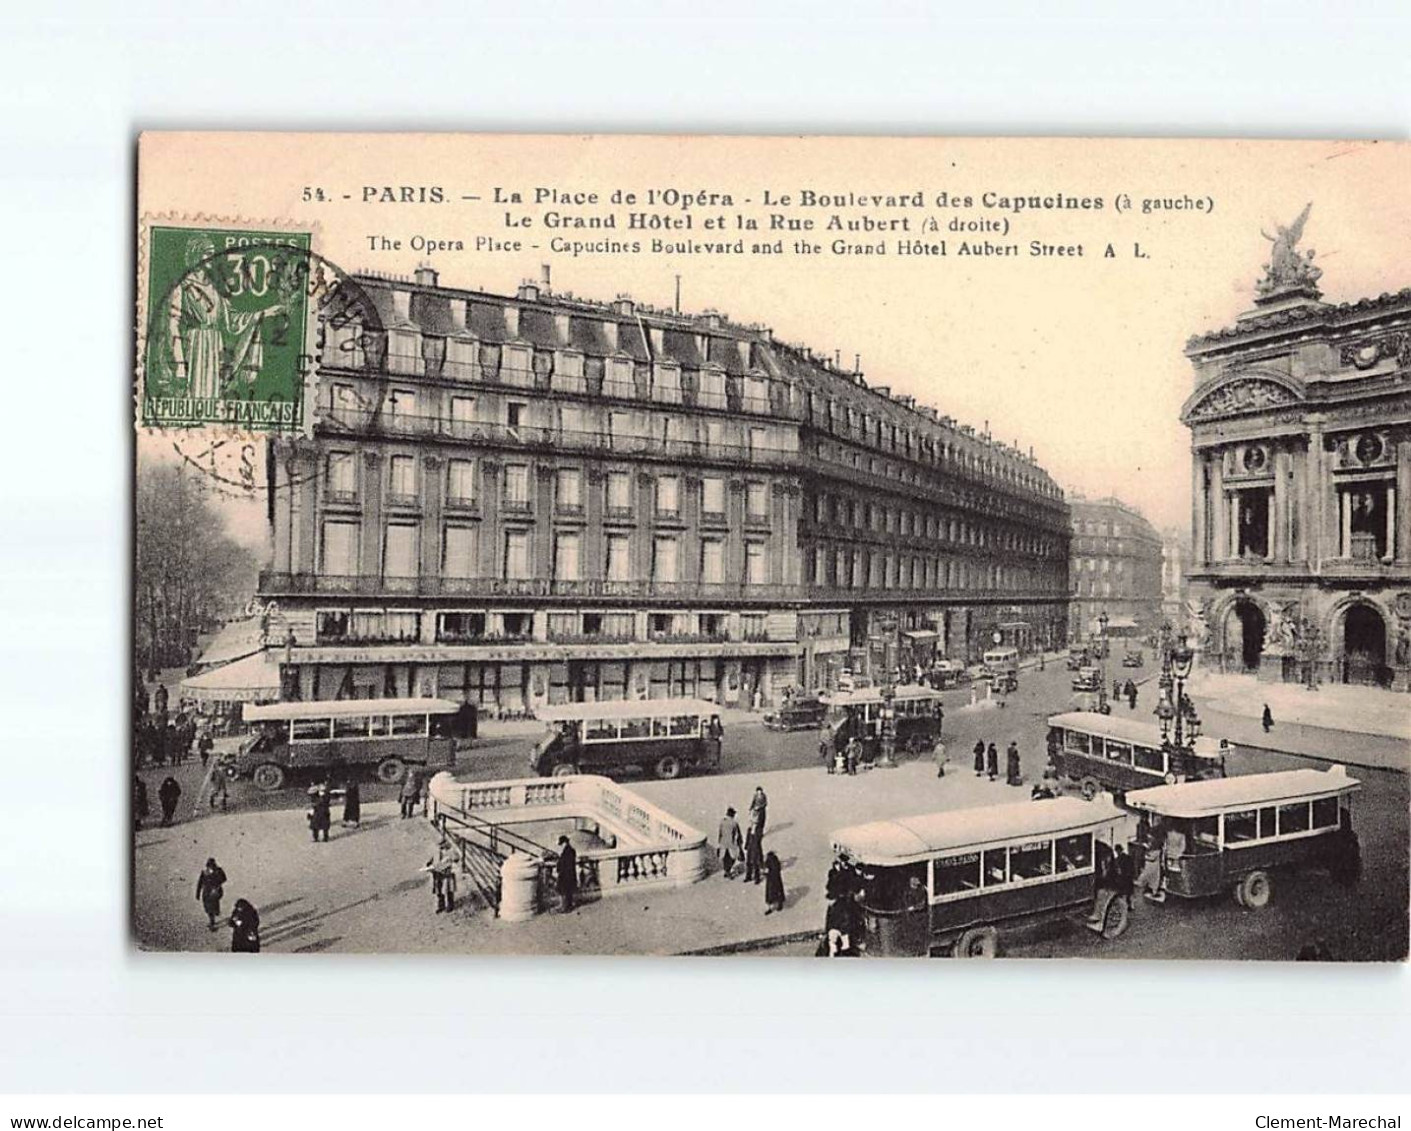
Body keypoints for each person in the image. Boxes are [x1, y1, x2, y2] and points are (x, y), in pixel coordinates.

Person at [195, 857, 227, 931]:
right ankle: (213, 916)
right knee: (208, 906)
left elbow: (224, 878)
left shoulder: (218, 871)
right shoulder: (204, 872)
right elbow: (200, 883)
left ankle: (212, 921)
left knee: (212, 906)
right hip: (206, 892)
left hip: (215, 891)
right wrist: (198, 893)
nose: (210, 867)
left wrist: (217, 884)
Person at [717, 807, 744, 879]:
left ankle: (726, 871)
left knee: (725, 858)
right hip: (731, 844)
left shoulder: (722, 821)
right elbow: (738, 834)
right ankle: (728, 871)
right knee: (732, 858)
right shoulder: (734, 823)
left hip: (723, 843)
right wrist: (740, 843)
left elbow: (720, 833)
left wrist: (719, 842)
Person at [555, 834, 578, 912]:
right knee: (568, 891)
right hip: (570, 874)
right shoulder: (571, 850)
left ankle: (565, 907)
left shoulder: (567, 851)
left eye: (561, 844)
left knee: (563, 891)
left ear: (564, 843)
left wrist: (559, 867)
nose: (560, 846)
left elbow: (564, 863)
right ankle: (568, 906)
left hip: (565, 874)